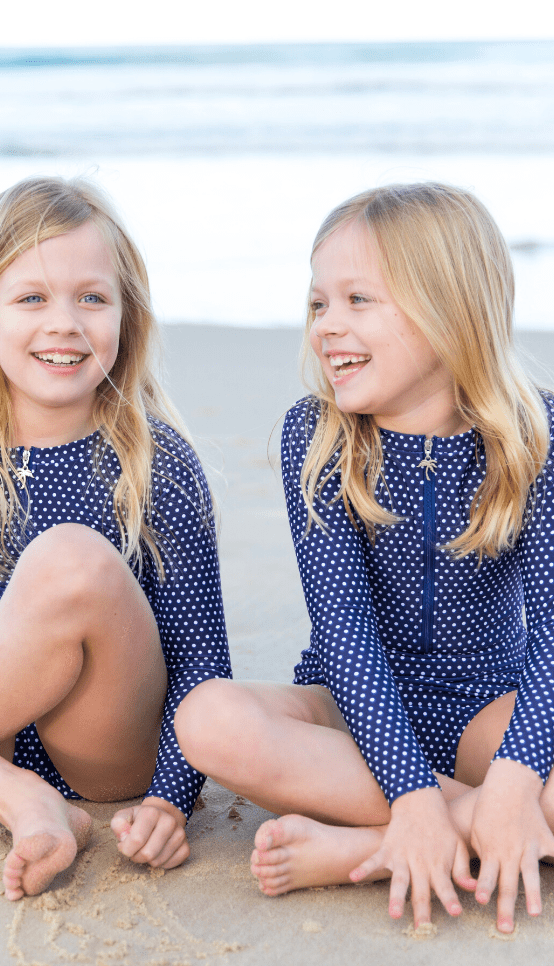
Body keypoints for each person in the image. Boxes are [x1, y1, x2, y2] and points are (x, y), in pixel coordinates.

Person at [175, 182, 554, 934]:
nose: (327, 328)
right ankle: (441, 825)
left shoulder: (535, 432)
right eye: (319, 304)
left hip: (488, 703)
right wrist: (416, 793)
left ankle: (372, 845)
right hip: (347, 711)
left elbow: (551, 632)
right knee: (207, 719)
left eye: (357, 300)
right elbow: (344, 631)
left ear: (450, 308)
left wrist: (513, 776)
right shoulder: (319, 437)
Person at [0, 176, 230, 900]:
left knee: (69, 556)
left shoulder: (158, 463)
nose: (65, 322)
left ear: (127, 318)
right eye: (31, 298)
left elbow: (202, 662)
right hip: (0, 721)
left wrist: (170, 799)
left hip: (108, 745)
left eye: (92, 297)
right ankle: (21, 799)